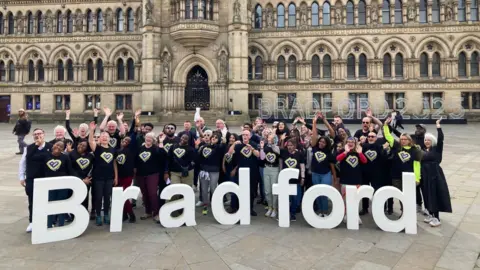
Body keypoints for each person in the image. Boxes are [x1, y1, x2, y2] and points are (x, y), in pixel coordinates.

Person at [383, 118, 423, 216]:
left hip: (409, 177)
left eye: (405, 139)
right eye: (401, 139)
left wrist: (417, 178)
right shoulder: (397, 146)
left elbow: (417, 165)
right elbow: (388, 136)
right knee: (400, 195)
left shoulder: (415, 150)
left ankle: (406, 213)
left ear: (409, 140)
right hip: (396, 176)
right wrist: (385, 125)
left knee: (408, 196)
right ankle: (403, 212)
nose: (403, 141)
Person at [18, 128, 53, 232]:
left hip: (46, 179)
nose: (38, 136)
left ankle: (48, 221)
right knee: (32, 201)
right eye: (35, 134)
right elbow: (23, 162)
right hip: (32, 179)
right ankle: (32, 222)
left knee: (48, 201)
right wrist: (21, 177)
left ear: (44, 134)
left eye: (40, 133)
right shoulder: (29, 148)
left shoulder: (50, 147)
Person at [421, 118, 452, 227]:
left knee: (434, 195)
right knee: (426, 194)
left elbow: (441, 139)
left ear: (432, 141)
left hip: (434, 175)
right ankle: (430, 213)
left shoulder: (436, 149)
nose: (427, 141)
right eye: (425, 140)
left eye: (429, 140)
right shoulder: (424, 151)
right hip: (425, 175)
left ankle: (436, 218)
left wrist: (438, 126)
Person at [88, 121, 118, 226]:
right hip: (98, 177)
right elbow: (91, 141)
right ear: (100, 139)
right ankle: (98, 215)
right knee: (98, 197)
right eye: (102, 136)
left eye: (106, 136)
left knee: (107, 197)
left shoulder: (113, 149)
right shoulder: (97, 148)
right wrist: (91, 131)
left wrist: (116, 176)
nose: (104, 137)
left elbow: (114, 163)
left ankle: (106, 214)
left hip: (109, 177)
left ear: (109, 139)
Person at [135, 132, 168, 223]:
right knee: (144, 193)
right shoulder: (140, 149)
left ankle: (156, 213)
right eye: (147, 137)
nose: (148, 139)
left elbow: (164, 156)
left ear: (153, 140)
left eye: (150, 138)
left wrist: (161, 143)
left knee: (152, 193)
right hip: (141, 174)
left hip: (153, 174)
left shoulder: (156, 149)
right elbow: (136, 160)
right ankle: (148, 211)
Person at [42, 141, 75, 228]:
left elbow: (70, 170)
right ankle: (49, 223)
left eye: (61, 146)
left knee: (61, 204)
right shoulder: (46, 156)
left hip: (62, 185)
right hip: (49, 184)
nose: (58, 147)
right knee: (50, 204)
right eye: (57, 145)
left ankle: (61, 224)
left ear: (63, 149)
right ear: (53, 146)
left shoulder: (65, 157)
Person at [229, 129, 260, 216]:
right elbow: (230, 153)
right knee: (239, 190)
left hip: (252, 172)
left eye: (246, 135)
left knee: (251, 191)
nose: (245, 136)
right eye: (243, 135)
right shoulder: (238, 145)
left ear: (250, 136)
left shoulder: (253, 144)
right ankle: (237, 207)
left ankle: (250, 209)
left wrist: (252, 149)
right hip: (240, 172)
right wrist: (234, 143)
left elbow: (258, 155)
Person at [310, 113, 337, 217]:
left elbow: (332, 166)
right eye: (320, 141)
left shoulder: (329, 152)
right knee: (317, 193)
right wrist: (314, 122)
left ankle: (325, 211)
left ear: (327, 144)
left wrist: (334, 177)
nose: (321, 143)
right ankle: (320, 211)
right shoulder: (314, 147)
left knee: (324, 193)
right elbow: (314, 134)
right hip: (315, 174)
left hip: (325, 174)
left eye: (323, 142)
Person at [336, 137, 367, 224]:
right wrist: (345, 152)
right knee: (345, 199)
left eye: (352, 142)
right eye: (348, 142)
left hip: (356, 180)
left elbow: (364, 161)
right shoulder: (342, 151)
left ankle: (356, 215)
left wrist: (360, 153)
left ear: (355, 143)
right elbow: (338, 159)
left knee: (356, 200)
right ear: (346, 143)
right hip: (345, 180)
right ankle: (346, 215)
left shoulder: (358, 152)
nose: (350, 143)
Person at [197, 132, 225, 215]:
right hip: (204, 171)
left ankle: (215, 204)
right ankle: (205, 205)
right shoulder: (204, 146)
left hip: (214, 170)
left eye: (216, 137)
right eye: (213, 137)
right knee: (204, 189)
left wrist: (222, 142)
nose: (213, 138)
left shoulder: (219, 147)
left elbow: (223, 149)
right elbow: (199, 158)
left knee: (213, 188)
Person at [279, 139, 306, 222]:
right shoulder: (284, 152)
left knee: (296, 198)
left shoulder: (299, 154)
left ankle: (293, 213)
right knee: (287, 198)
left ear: (295, 146)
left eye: (291, 145)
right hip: (285, 179)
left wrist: (302, 177)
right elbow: (280, 164)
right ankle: (286, 213)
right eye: (288, 145)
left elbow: (302, 166)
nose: (290, 147)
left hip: (296, 179)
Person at [116, 136, 137, 223]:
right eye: (124, 140)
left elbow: (134, 134)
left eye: (128, 141)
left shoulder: (131, 150)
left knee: (123, 195)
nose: (125, 141)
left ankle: (131, 214)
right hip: (118, 176)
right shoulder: (117, 151)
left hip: (127, 176)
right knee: (120, 196)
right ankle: (124, 215)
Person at [259, 134, 280, 218]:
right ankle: (270, 207)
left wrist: (273, 144)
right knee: (267, 190)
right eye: (268, 138)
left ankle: (275, 208)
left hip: (275, 169)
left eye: (271, 138)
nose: (269, 139)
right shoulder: (265, 147)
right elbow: (262, 157)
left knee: (274, 189)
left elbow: (277, 152)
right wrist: (261, 148)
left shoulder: (276, 147)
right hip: (266, 168)